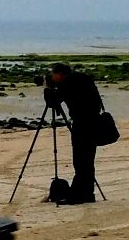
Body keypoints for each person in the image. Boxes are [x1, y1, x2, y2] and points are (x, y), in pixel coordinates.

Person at [44, 62, 103, 203]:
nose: (52, 77)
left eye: (53, 75)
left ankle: (79, 195)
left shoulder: (67, 82)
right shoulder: (84, 78)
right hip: (94, 120)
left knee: (80, 159)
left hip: (82, 123)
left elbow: (53, 101)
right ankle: (88, 193)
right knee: (88, 159)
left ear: (59, 74)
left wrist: (47, 89)